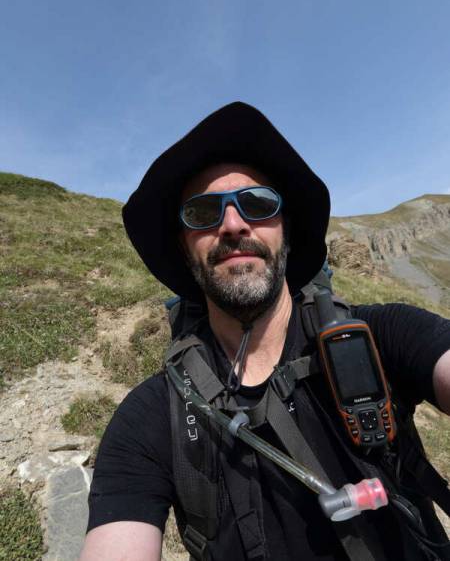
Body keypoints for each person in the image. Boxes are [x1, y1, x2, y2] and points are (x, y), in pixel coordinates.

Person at [80, 102, 450, 561]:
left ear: (286, 230)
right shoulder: (151, 416)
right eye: (202, 212)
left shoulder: (381, 336)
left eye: (257, 204)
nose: (233, 225)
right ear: (184, 246)